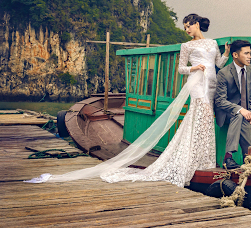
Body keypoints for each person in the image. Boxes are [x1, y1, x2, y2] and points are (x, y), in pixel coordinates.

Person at [25, 14, 229, 187]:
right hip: (197, 84)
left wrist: (227, 53)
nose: (186, 30)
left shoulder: (212, 43)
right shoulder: (186, 46)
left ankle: (203, 158)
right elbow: (180, 68)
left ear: (196, 24)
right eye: (184, 27)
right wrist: (194, 68)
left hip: (211, 83)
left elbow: (218, 63)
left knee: (205, 120)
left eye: (188, 26)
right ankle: (195, 160)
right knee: (199, 115)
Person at [214, 40, 251, 169]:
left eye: (250, 53)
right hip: (226, 113)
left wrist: (250, 113)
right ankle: (234, 156)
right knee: (238, 115)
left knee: (242, 116)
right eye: (246, 53)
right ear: (235, 55)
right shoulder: (224, 73)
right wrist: (241, 110)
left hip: (241, 115)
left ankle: (243, 157)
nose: (249, 56)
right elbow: (220, 101)